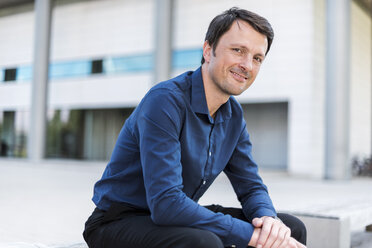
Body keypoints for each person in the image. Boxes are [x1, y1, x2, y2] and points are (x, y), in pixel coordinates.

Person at [83, 7, 307, 248]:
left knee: (289, 228)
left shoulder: (233, 115)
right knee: (203, 243)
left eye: (257, 58)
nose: (247, 65)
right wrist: (250, 236)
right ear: (208, 50)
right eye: (238, 50)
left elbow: (251, 186)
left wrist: (268, 220)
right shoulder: (165, 100)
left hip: (171, 219)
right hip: (118, 221)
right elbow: (166, 203)